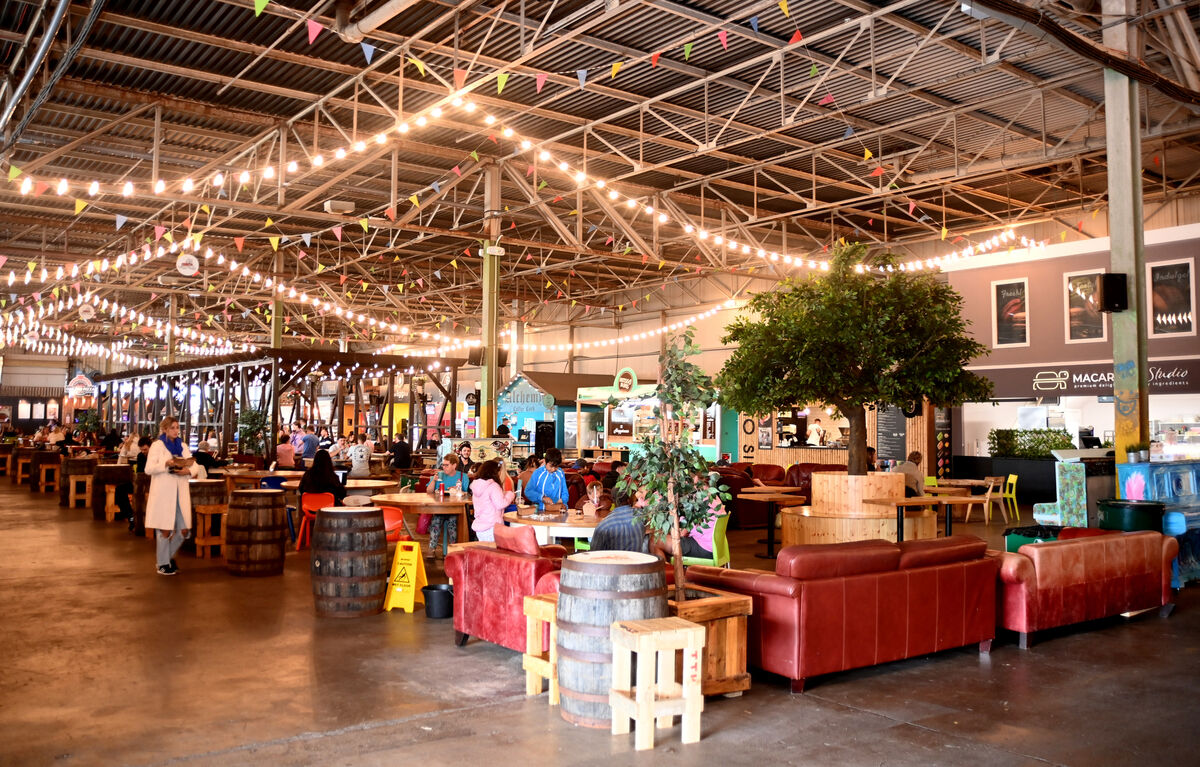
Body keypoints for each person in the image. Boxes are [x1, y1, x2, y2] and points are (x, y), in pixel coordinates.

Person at [145, 416, 202, 575]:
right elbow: (149, 469)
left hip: (180, 492)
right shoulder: (157, 446)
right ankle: (163, 564)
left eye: (177, 427)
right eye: (172, 428)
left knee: (183, 530)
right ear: (165, 429)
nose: (176, 431)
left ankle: (166, 558)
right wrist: (166, 464)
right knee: (164, 530)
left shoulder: (182, 446)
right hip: (163, 493)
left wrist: (188, 471)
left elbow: (195, 465)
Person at [428, 453, 470, 552]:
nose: (444, 467)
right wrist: (433, 481)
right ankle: (431, 549)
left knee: (453, 523)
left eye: (446, 465)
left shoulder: (463, 477)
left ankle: (453, 550)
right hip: (440, 508)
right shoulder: (439, 475)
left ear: (454, 465)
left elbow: (467, 494)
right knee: (436, 521)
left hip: (455, 510)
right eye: (443, 465)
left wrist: (458, 489)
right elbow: (429, 491)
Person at [590, 485, 647, 552]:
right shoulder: (643, 517)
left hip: (612, 558)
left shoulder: (603, 526)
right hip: (637, 558)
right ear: (630, 499)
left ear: (612, 500)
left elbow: (594, 552)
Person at [470, 459, 514, 542]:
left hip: (480, 525)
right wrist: (510, 495)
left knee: (484, 548)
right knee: (494, 549)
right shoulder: (494, 486)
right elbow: (501, 504)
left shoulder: (476, 485)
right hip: (492, 525)